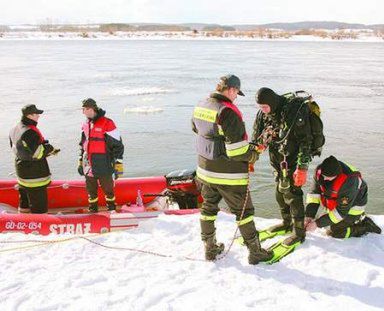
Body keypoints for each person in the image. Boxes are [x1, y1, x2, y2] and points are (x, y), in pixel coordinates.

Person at [192, 75, 272, 264]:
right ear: (231, 90)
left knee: (207, 209)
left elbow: (197, 130)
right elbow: (237, 151)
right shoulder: (228, 112)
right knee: (244, 213)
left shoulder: (201, 105)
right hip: (229, 176)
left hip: (204, 171)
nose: (236, 97)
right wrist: (255, 153)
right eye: (237, 93)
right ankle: (255, 252)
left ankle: (210, 249)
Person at [252, 87, 313, 246]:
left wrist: (302, 168)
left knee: (292, 194)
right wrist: (250, 159)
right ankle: (287, 223)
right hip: (277, 160)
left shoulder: (293, 112)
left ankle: (299, 232)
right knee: (280, 193)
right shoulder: (264, 114)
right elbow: (256, 139)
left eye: (265, 107)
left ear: (272, 102)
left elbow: (306, 142)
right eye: (260, 107)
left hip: (292, 160)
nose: (263, 110)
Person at [305, 155, 381, 238]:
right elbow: (314, 194)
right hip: (336, 201)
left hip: (353, 206)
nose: (325, 179)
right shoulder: (320, 171)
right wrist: (310, 215)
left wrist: (317, 224)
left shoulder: (350, 181)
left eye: (329, 177)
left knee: (335, 232)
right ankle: (356, 220)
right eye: (324, 176)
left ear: (337, 175)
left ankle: (365, 226)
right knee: (323, 222)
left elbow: (340, 213)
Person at [9, 104, 60, 213]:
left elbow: (17, 148)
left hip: (21, 172)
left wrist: (43, 146)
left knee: (24, 201)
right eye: (36, 114)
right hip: (34, 175)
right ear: (29, 115)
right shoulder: (30, 132)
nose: (38, 116)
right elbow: (37, 153)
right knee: (39, 205)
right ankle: (41, 224)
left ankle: (22, 221)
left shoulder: (15, 128)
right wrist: (49, 149)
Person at [78, 98, 124, 212]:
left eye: (84, 109)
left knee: (109, 190)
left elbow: (118, 145)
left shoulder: (108, 123)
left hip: (104, 163)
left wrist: (118, 164)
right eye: (82, 109)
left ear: (91, 109)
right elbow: (82, 143)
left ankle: (111, 209)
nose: (83, 112)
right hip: (88, 164)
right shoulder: (85, 124)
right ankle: (93, 210)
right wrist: (80, 160)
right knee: (91, 191)